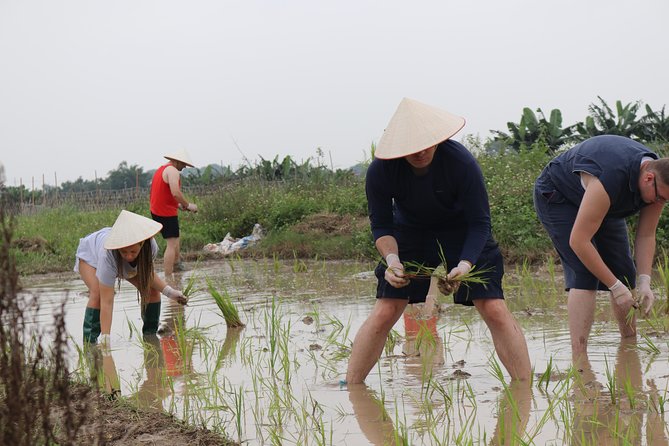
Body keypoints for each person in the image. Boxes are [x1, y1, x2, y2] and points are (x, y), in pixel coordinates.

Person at [346, 97, 531, 384]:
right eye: (412, 147)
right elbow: (381, 225)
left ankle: (525, 388)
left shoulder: (461, 163)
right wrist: (392, 261)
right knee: (386, 309)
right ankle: (351, 386)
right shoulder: (381, 171)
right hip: (411, 233)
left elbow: (480, 222)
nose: (421, 152)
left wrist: (466, 263)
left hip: (462, 231)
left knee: (493, 307)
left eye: (427, 143)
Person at [533, 135, 667, 358]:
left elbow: (646, 235)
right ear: (648, 178)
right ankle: (580, 359)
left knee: (625, 273)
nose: (659, 203)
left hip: (604, 201)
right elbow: (579, 241)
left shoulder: (659, 182)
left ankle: (629, 350)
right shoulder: (610, 177)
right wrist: (614, 287)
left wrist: (644, 281)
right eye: (660, 197)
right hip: (559, 196)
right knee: (584, 273)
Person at [75, 210, 188, 347]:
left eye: (133, 251)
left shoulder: (150, 247)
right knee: (97, 294)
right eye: (124, 252)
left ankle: (151, 338)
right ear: (119, 248)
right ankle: (90, 344)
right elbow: (107, 301)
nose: (128, 256)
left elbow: (147, 275)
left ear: (141, 244)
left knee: (151, 290)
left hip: (118, 261)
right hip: (90, 257)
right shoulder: (107, 255)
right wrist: (106, 338)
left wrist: (171, 293)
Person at [150, 149, 198, 276]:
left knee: (176, 238)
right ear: (177, 161)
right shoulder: (172, 171)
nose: (184, 167)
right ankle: (169, 277)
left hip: (157, 210)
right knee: (171, 244)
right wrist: (188, 205)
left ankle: (177, 266)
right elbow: (175, 192)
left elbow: (163, 194)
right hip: (165, 213)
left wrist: (177, 205)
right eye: (183, 164)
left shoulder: (161, 169)